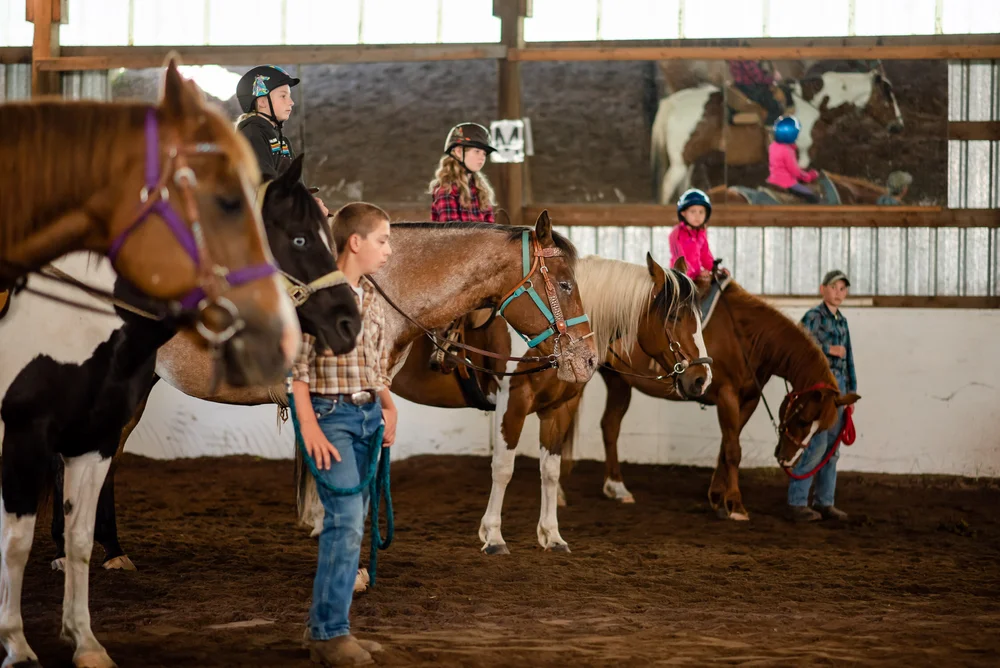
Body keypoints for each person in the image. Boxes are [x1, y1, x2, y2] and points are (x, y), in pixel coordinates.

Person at [290, 202, 397, 666]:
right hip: (330, 416)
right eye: (383, 240)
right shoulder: (315, 296)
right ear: (355, 242)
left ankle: (325, 627)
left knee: (353, 521)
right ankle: (330, 633)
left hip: (368, 415)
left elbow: (375, 361)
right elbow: (296, 372)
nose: (388, 250)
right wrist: (309, 426)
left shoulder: (371, 296)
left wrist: (388, 403)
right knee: (347, 521)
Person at [789, 269, 858, 523]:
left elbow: (849, 358)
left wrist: (851, 392)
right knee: (817, 444)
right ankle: (797, 501)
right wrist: (828, 349)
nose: (838, 293)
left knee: (833, 447)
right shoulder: (813, 317)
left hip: (839, 389)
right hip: (820, 390)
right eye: (834, 287)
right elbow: (798, 344)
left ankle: (824, 501)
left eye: (843, 289)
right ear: (823, 289)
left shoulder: (842, 321)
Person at [236, 64, 328, 215]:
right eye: (283, 96)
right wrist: (305, 207)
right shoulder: (251, 135)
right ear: (262, 102)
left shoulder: (282, 141)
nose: (291, 102)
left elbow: (294, 184)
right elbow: (266, 187)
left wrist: (309, 201)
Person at [428, 122, 497, 223]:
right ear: (459, 152)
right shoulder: (447, 189)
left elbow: (490, 226)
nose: (482, 157)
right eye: (477, 151)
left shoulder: (481, 189)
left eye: (484, 153)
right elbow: (452, 230)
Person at [766, 116, 820, 204]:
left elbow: (782, 165)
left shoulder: (773, 146)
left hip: (773, 179)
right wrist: (810, 176)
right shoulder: (787, 150)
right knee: (812, 197)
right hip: (786, 182)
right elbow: (795, 172)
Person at [728, 59, 785, 126]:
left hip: (741, 86)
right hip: (750, 88)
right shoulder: (746, 59)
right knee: (775, 106)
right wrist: (773, 78)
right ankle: (770, 125)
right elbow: (758, 78)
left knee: (771, 94)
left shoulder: (736, 57)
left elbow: (756, 74)